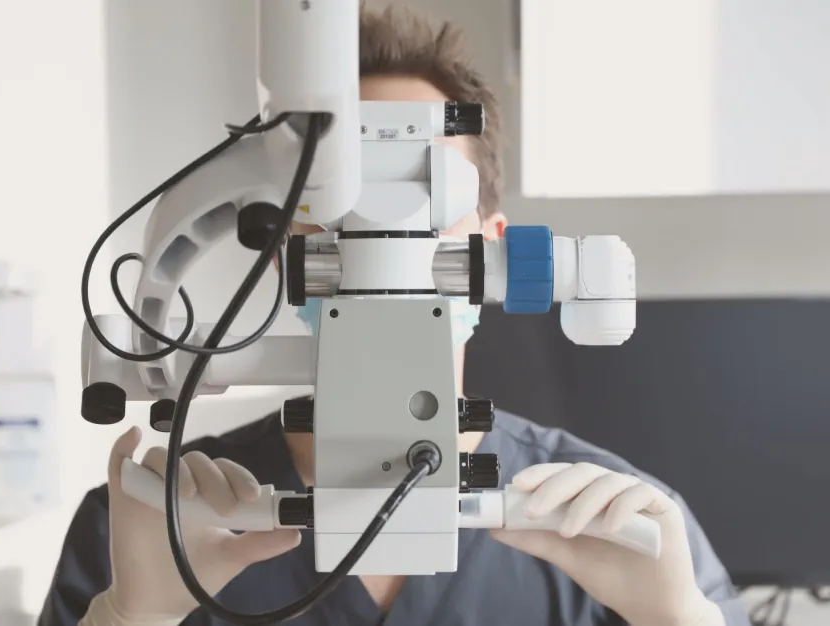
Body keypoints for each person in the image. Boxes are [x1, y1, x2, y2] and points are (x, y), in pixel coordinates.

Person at [40, 5, 751, 626]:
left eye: (420, 199)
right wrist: (133, 617)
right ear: (287, 253)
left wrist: (678, 620)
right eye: (338, 213)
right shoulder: (148, 531)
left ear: (496, 252)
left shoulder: (622, 530)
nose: (376, 241)